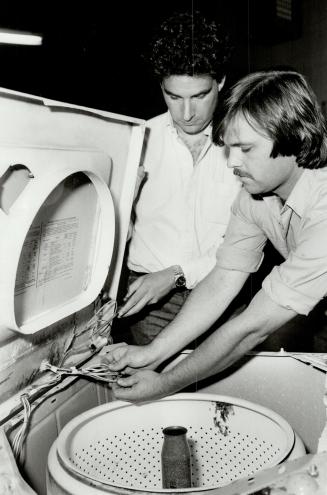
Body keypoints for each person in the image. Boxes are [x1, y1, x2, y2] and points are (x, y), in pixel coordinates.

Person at [107, 70, 327, 402]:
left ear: (295, 139)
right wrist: (152, 353)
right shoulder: (255, 199)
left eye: (246, 149)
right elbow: (223, 278)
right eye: (230, 147)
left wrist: (165, 383)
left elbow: (251, 328)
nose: (232, 162)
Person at [113, 11, 241, 345]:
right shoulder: (135, 142)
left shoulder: (246, 144)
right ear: (160, 87)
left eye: (199, 96)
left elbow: (245, 240)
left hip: (225, 294)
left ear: (221, 81)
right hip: (151, 305)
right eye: (174, 96)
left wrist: (176, 275)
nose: (186, 114)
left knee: (222, 393)